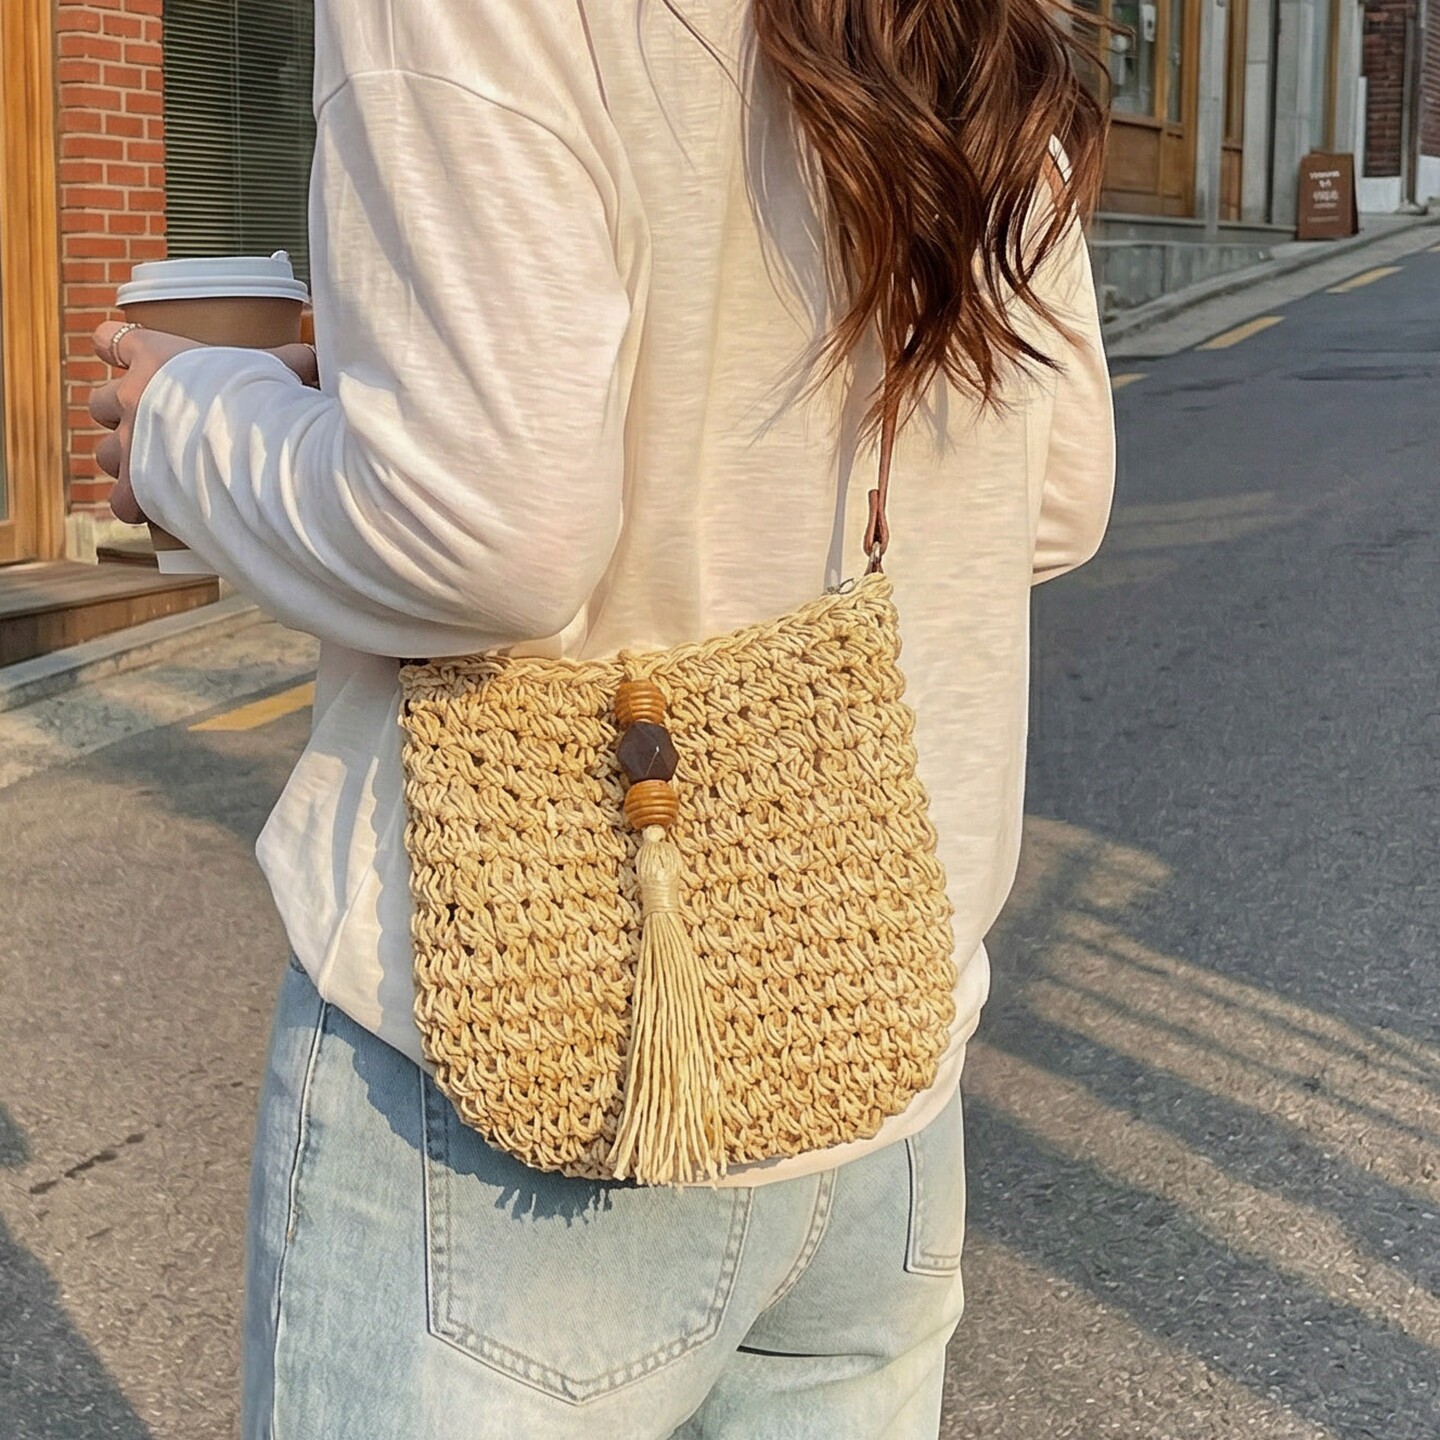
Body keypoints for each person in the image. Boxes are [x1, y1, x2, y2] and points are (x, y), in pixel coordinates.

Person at [88, 2, 1113, 1436]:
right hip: (878, 1041)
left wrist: (185, 419)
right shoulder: (969, 23)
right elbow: (1053, 494)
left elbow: (482, 538)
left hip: (521, 1078)